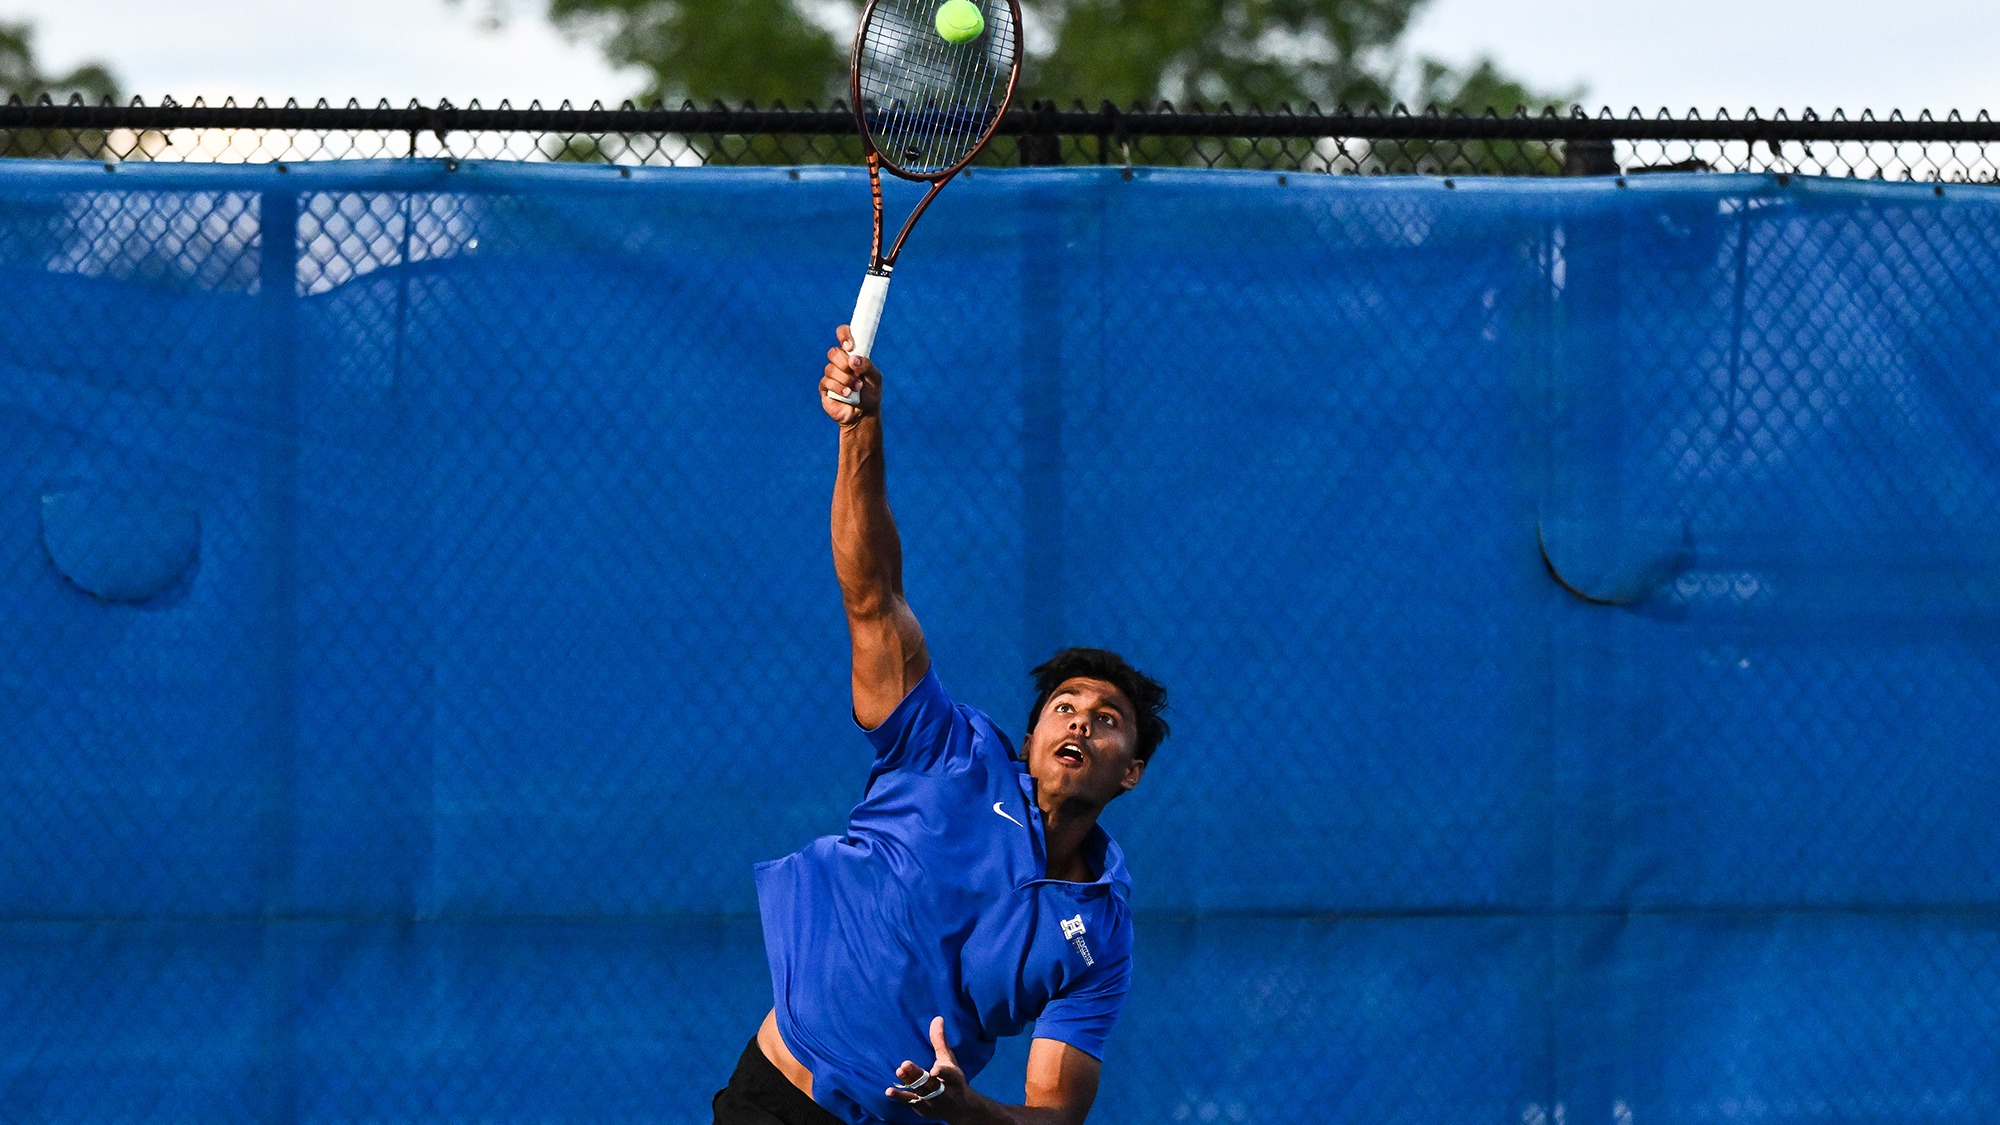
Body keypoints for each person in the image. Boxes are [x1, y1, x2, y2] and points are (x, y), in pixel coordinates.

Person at [710, 327, 1169, 1125]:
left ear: (1129, 769)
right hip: (777, 1101)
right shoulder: (948, 751)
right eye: (1064, 707)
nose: (1081, 723)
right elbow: (871, 592)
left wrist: (963, 1109)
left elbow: (1055, 1116)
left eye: (1107, 720)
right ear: (1028, 741)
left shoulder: (1100, 931)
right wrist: (860, 429)